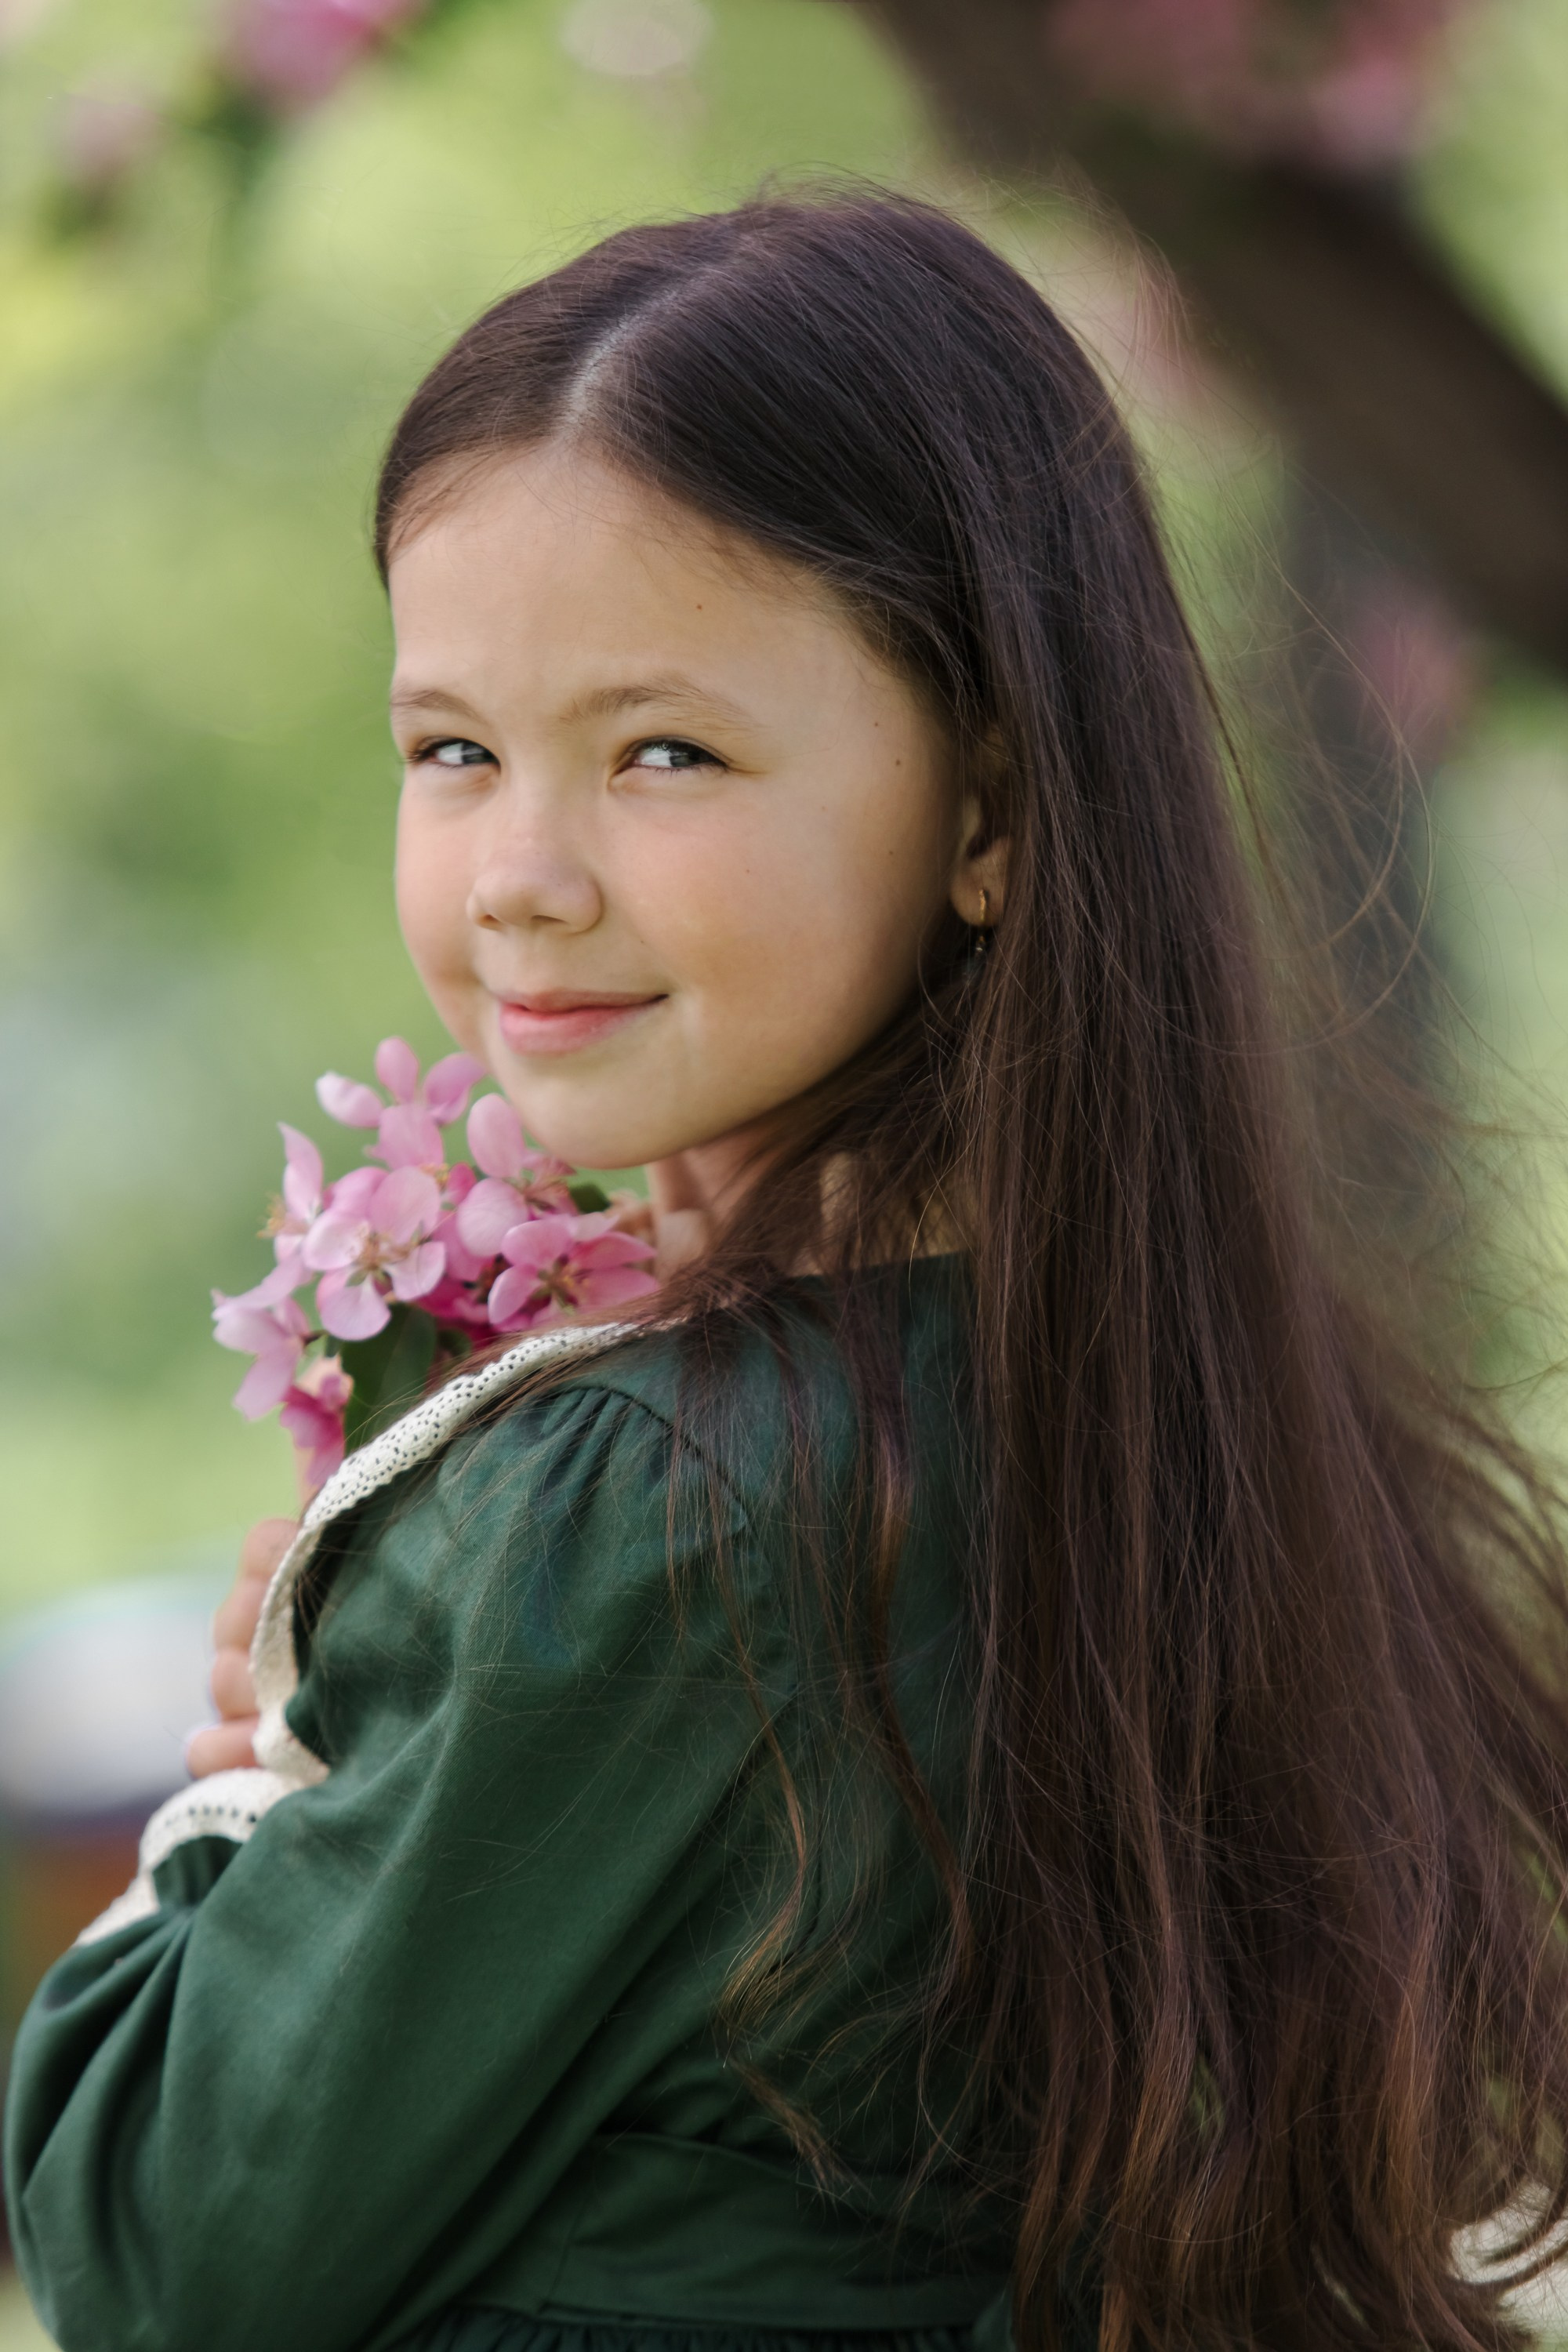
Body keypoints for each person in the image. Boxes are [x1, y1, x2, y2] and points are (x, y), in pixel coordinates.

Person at [8, 191, 1568, 2352]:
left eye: (666, 753)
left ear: (991, 806)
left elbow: (160, 2243)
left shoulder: (662, 1505)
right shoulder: (1148, 1397)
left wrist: (248, 1800)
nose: (524, 879)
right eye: (454, 749)